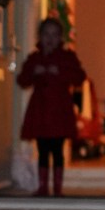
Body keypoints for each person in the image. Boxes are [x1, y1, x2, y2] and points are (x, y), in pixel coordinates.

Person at [17, 16, 86, 197]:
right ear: (40, 36)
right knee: (43, 150)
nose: (50, 38)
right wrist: (34, 72)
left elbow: (79, 77)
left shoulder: (67, 57)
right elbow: (22, 80)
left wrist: (61, 72)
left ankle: (57, 189)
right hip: (40, 111)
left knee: (57, 150)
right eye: (46, 34)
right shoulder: (35, 58)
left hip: (60, 111)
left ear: (61, 37)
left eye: (54, 34)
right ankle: (42, 187)